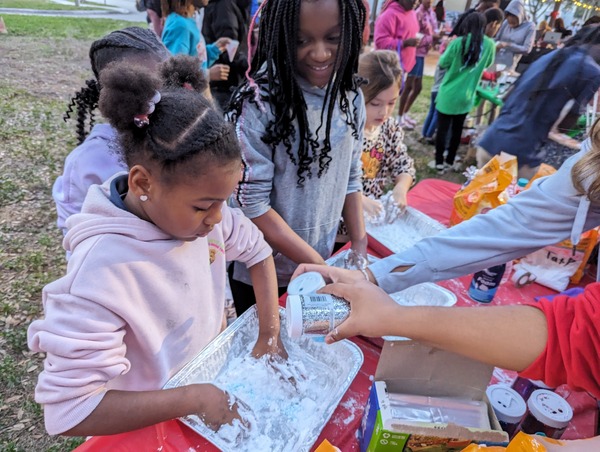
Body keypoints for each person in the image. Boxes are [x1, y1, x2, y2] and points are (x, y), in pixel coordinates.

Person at [28, 59, 287, 437]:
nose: (218, 219)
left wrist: (269, 334)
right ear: (142, 183)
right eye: (203, 206)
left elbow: (259, 253)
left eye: (223, 202)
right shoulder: (101, 273)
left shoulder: (204, 216)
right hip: (142, 425)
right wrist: (194, 399)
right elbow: (70, 411)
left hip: (201, 387)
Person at [226, 0, 368, 315]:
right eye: (301, 40)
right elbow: (253, 206)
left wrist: (359, 246)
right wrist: (324, 269)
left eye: (333, 38)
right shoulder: (258, 105)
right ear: (278, 36)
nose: (319, 53)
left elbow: (351, 174)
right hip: (260, 272)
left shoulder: (349, 97)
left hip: (322, 260)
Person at [55, 27, 171, 237]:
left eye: (167, 85)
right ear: (109, 94)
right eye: (140, 89)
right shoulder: (86, 163)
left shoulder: (179, 138)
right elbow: (77, 239)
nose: (158, 99)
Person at [476, 25, 600, 179]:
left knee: (479, 200)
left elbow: (507, 96)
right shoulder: (591, 71)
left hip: (491, 141)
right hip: (520, 157)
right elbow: (567, 124)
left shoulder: (551, 56)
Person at [338, 50, 415, 240]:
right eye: (375, 103)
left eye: (391, 103)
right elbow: (326, 182)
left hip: (370, 227)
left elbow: (403, 164)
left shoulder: (389, 129)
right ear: (354, 96)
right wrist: (359, 201)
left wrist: (400, 188)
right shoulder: (340, 131)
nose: (384, 111)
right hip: (338, 231)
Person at [430, 10, 495, 174]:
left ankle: (439, 163)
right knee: (458, 130)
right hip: (466, 97)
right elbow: (487, 64)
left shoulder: (457, 43)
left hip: (448, 94)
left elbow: (443, 63)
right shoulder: (489, 45)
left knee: (442, 130)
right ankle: (450, 161)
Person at [373, 0, 420, 129]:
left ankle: (385, 124)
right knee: (381, 101)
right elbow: (380, 42)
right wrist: (404, 43)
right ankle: (375, 129)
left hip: (402, 67)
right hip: (387, 68)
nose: (416, 1)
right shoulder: (389, 15)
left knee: (392, 100)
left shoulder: (412, 13)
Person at [161, 0, 231, 84]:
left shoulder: (187, 20)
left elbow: (195, 59)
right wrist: (207, 74)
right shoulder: (180, 26)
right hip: (186, 96)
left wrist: (215, 49)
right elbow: (174, 72)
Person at [396, 0, 438, 130]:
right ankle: (399, 118)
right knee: (409, 86)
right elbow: (415, 36)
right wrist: (432, 38)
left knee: (418, 87)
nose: (430, 1)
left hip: (422, 54)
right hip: (415, 53)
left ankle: (405, 113)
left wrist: (434, 37)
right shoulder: (418, 13)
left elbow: (432, 30)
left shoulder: (431, 12)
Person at [202, 0, 251, 110]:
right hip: (224, 85)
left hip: (229, 82)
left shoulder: (232, 4)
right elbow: (229, 50)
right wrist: (252, 67)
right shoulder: (224, 5)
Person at [494, 0, 535, 71]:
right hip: (495, 59)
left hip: (510, 63)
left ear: (520, 16)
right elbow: (497, 38)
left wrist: (508, 45)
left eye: (514, 23)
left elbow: (527, 49)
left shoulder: (530, 26)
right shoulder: (506, 22)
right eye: (509, 22)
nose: (511, 25)